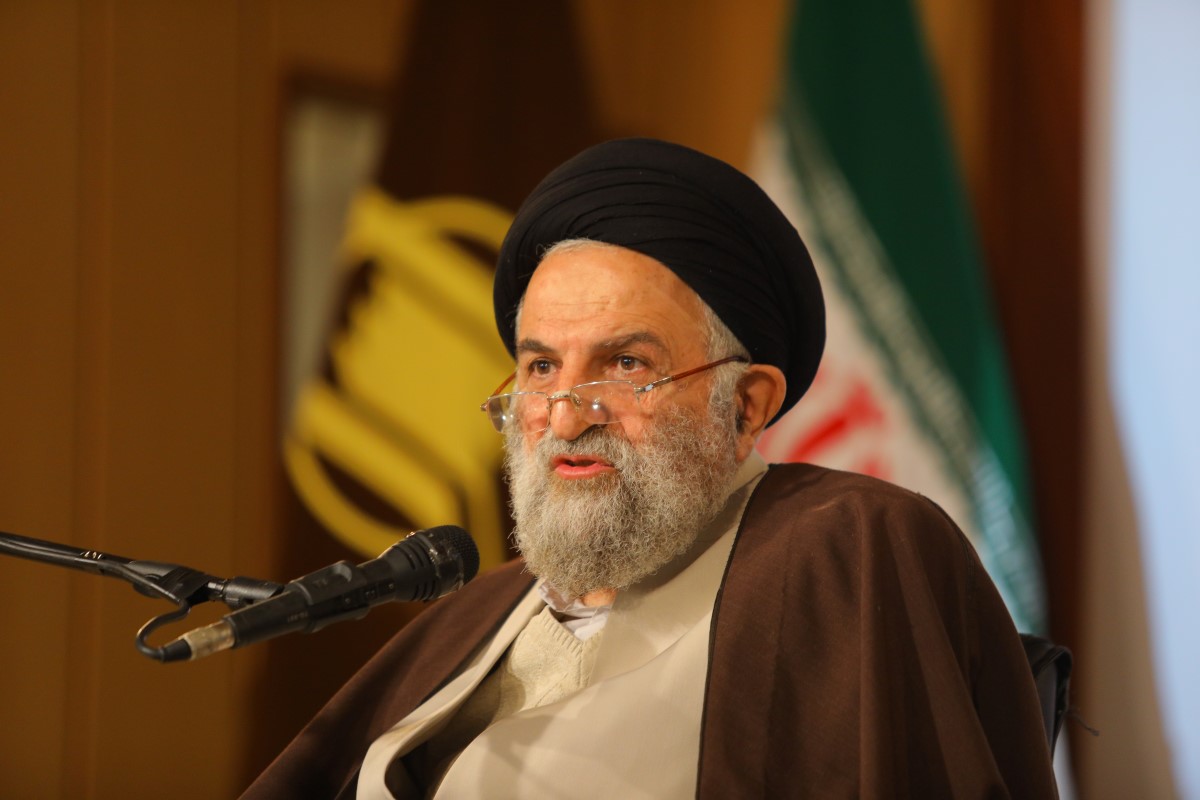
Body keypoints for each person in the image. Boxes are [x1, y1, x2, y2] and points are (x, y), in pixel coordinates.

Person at [243, 138, 1057, 798]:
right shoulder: (478, 610)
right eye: (540, 368)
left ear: (746, 406)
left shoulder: (846, 546)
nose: (566, 416)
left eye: (626, 364)